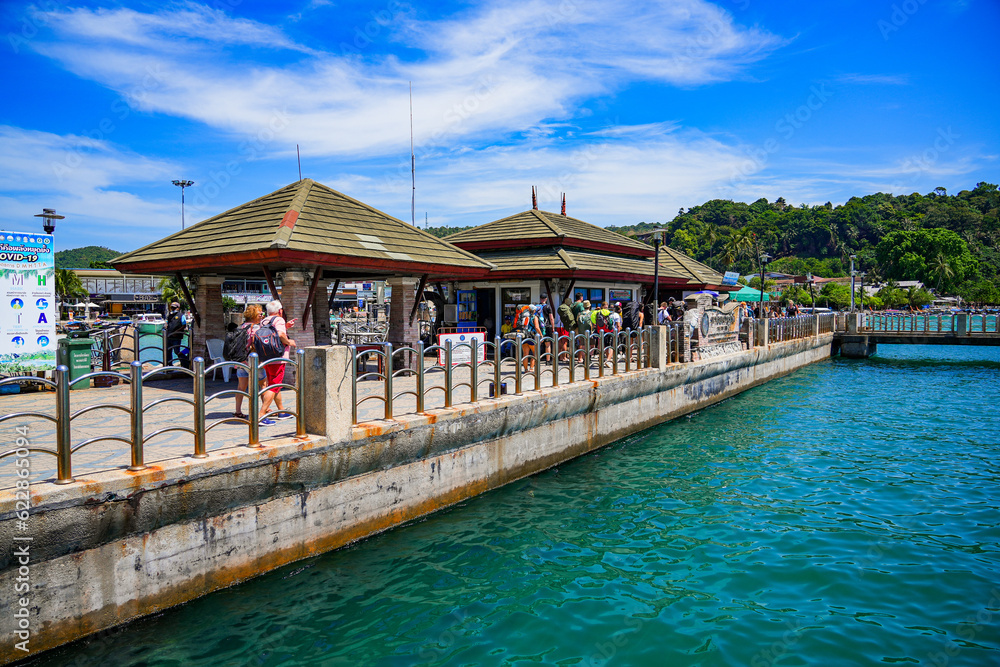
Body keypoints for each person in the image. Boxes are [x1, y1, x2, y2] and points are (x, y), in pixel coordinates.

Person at [258, 300, 297, 426]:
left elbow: (272, 333)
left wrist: (286, 327)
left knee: (273, 384)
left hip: (266, 356)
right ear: (280, 311)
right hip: (278, 357)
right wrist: (289, 341)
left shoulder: (264, 320)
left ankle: (281, 411)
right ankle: (262, 415)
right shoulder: (279, 320)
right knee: (274, 385)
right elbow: (279, 334)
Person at [233, 305, 264, 419]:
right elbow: (258, 344)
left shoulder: (240, 327)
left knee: (241, 387)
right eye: (260, 314)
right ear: (254, 316)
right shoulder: (255, 328)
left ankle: (238, 411)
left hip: (240, 361)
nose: (262, 316)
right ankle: (262, 412)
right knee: (263, 385)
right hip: (252, 361)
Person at [165, 302, 186, 367]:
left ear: (178, 308)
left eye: (174, 307)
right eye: (172, 307)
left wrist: (177, 332)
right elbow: (167, 324)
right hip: (169, 336)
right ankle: (169, 365)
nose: (172, 309)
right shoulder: (170, 316)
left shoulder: (181, 315)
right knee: (168, 351)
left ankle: (185, 363)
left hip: (177, 337)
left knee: (177, 351)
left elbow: (184, 325)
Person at [557, 296, 575, 362]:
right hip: (565, 327)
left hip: (559, 326)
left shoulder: (560, 308)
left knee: (559, 342)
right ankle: (564, 357)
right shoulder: (568, 309)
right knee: (565, 343)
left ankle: (560, 357)